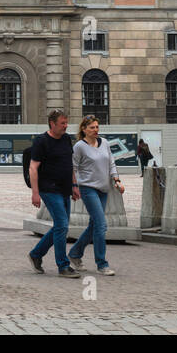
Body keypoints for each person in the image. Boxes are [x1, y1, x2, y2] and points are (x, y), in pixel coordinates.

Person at [27, 108, 80, 278]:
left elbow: (69, 165)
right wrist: (35, 193)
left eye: (66, 123)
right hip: (48, 189)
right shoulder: (41, 141)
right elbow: (33, 168)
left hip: (64, 188)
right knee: (62, 225)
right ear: (52, 124)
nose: (66, 126)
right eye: (62, 123)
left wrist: (74, 185)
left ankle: (36, 254)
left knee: (60, 226)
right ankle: (63, 266)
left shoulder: (66, 139)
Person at [69, 115, 120, 276]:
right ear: (84, 129)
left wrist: (116, 179)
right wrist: (74, 186)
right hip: (87, 188)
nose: (96, 130)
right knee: (101, 224)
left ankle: (75, 254)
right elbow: (73, 167)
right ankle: (102, 264)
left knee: (94, 226)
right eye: (92, 127)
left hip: (103, 188)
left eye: (97, 127)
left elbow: (111, 161)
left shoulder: (104, 142)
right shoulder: (79, 146)